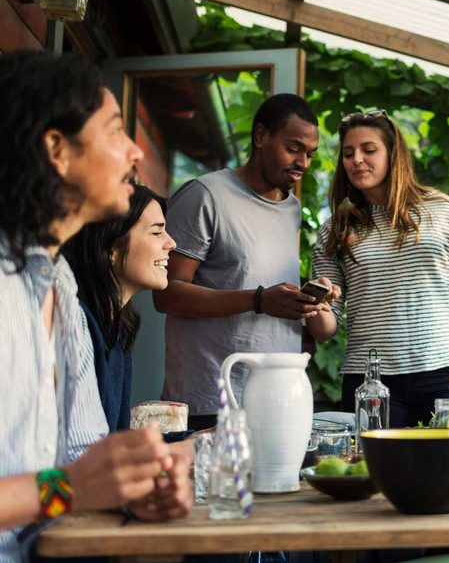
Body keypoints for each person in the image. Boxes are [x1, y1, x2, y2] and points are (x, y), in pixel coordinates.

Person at [0, 51, 192, 562]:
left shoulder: (60, 283)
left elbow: (82, 457)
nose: (134, 153)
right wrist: (67, 489)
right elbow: (66, 484)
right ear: (57, 150)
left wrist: (135, 488)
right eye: (114, 131)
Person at [307, 110, 449, 428]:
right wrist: (317, 305)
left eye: (368, 150)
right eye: (348, 153)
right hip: (369, 379)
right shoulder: (335, 228)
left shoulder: (442, 210)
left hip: (445, 374)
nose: (356, 159)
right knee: (380, 477)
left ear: (393, 154)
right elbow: (324, 330)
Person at [154, 93, 338, 430]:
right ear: (261, 136)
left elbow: (260, 283)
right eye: (294, 148)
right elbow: (165, 294)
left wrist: (307, 302)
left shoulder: (291, 208)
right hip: (214, 398)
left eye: (310, 154)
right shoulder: (204, 195)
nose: (303, 163)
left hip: (276, 397)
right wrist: (258, 300)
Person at [63, 185, 176, 432]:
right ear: (112, 247)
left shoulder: (120, 325)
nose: (171, 243)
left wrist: (194, 440)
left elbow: (116, 437)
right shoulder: (78, 324)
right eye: (157, 232)